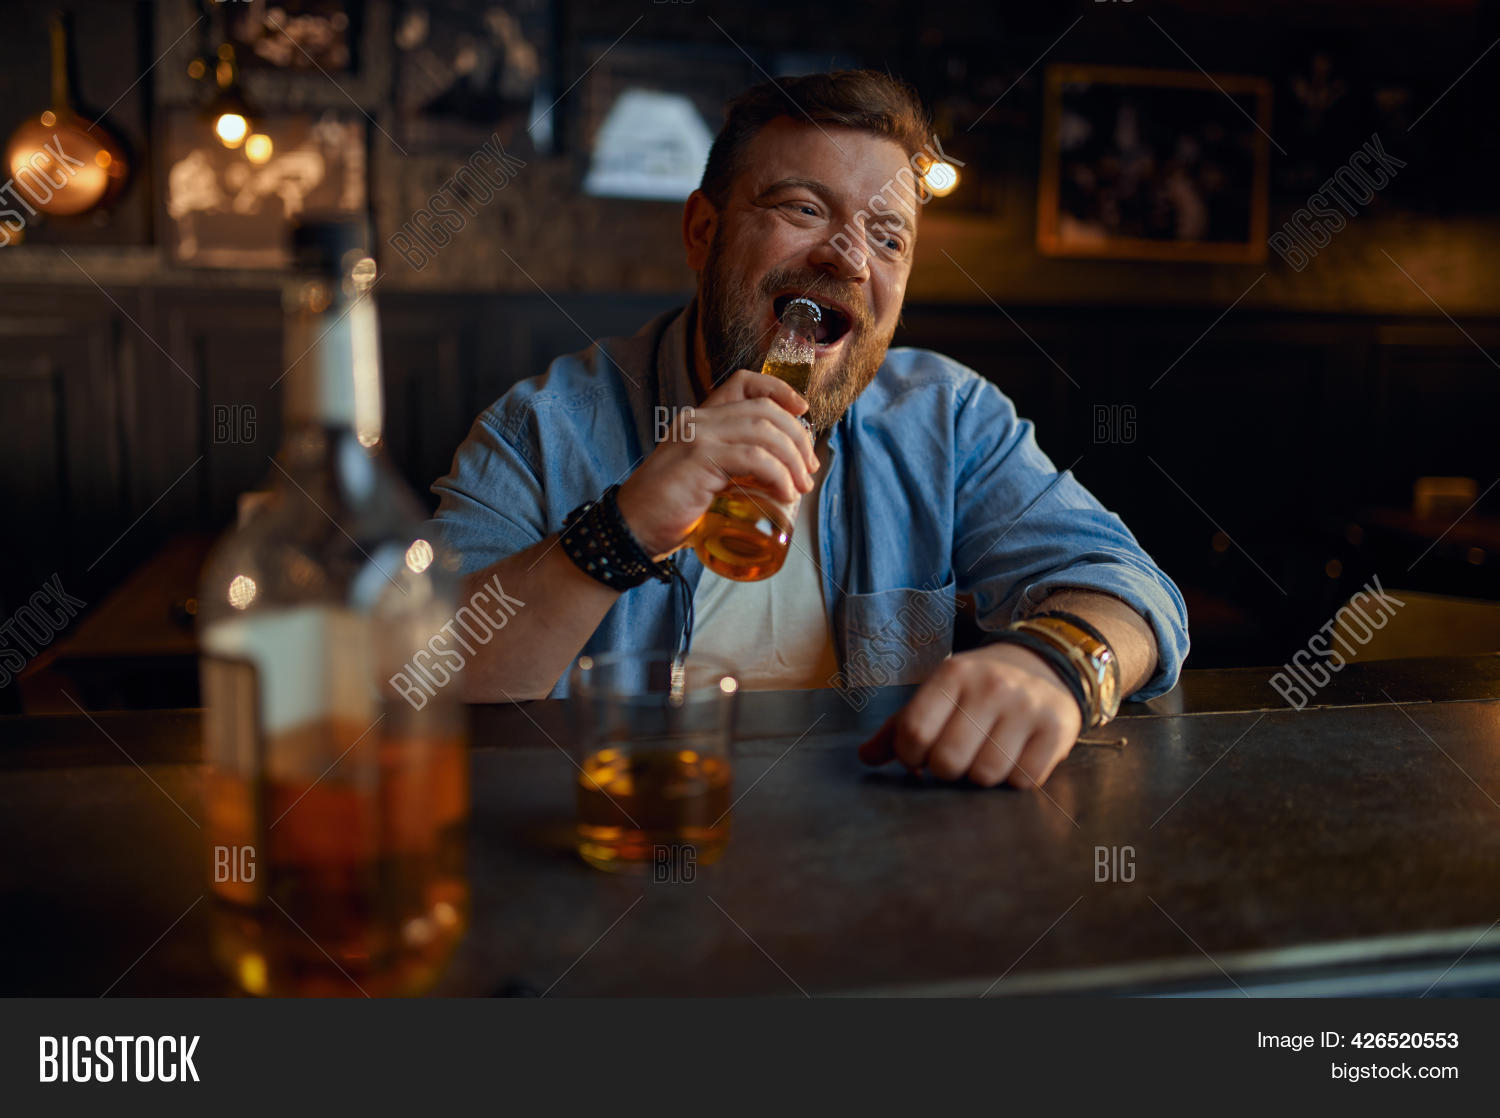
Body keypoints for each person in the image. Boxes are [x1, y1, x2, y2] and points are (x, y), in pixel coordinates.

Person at [426, 70, 1189, 790]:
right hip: (632, 834)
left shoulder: (946, 417)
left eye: (888, 237)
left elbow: (1131, 589)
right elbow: (418, 674)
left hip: (873, 849)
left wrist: (1058, 663)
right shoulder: (544, 428)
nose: (849, 258)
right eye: (803, 209)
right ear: (703, 232)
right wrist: (617, 534)